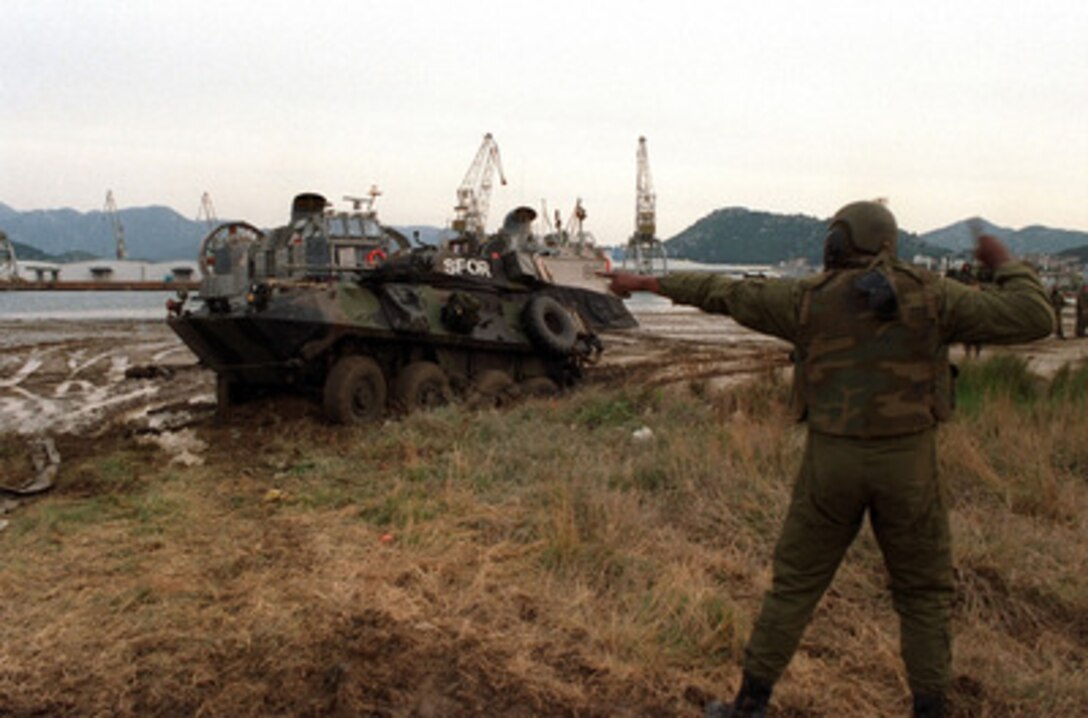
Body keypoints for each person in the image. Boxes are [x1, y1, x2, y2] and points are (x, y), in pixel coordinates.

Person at [602, 201, 1054, 718]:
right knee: (924, 594)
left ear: (838, 242)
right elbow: (1033, 315)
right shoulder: (931, 294)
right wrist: (1004, 263)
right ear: (888, 243)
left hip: (831, 460)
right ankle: (930, 709)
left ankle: (750, 704)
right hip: (908, 463)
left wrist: (645, 283)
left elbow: (726, 292)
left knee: (795, 585)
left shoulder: (805, 299)